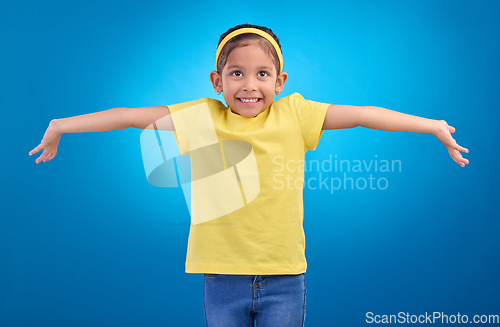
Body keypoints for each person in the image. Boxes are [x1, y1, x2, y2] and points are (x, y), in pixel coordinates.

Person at [28, 24, 469, 327]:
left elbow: (364, 115)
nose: (249, 85)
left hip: (284, 276)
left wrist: (430, 126)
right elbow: (127, 116)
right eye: (236, 74)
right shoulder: (200, 116)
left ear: (280, 80)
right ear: (217, 80)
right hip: (222, 276)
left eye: (262, 74)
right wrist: (61, 125)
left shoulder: (295, 114)